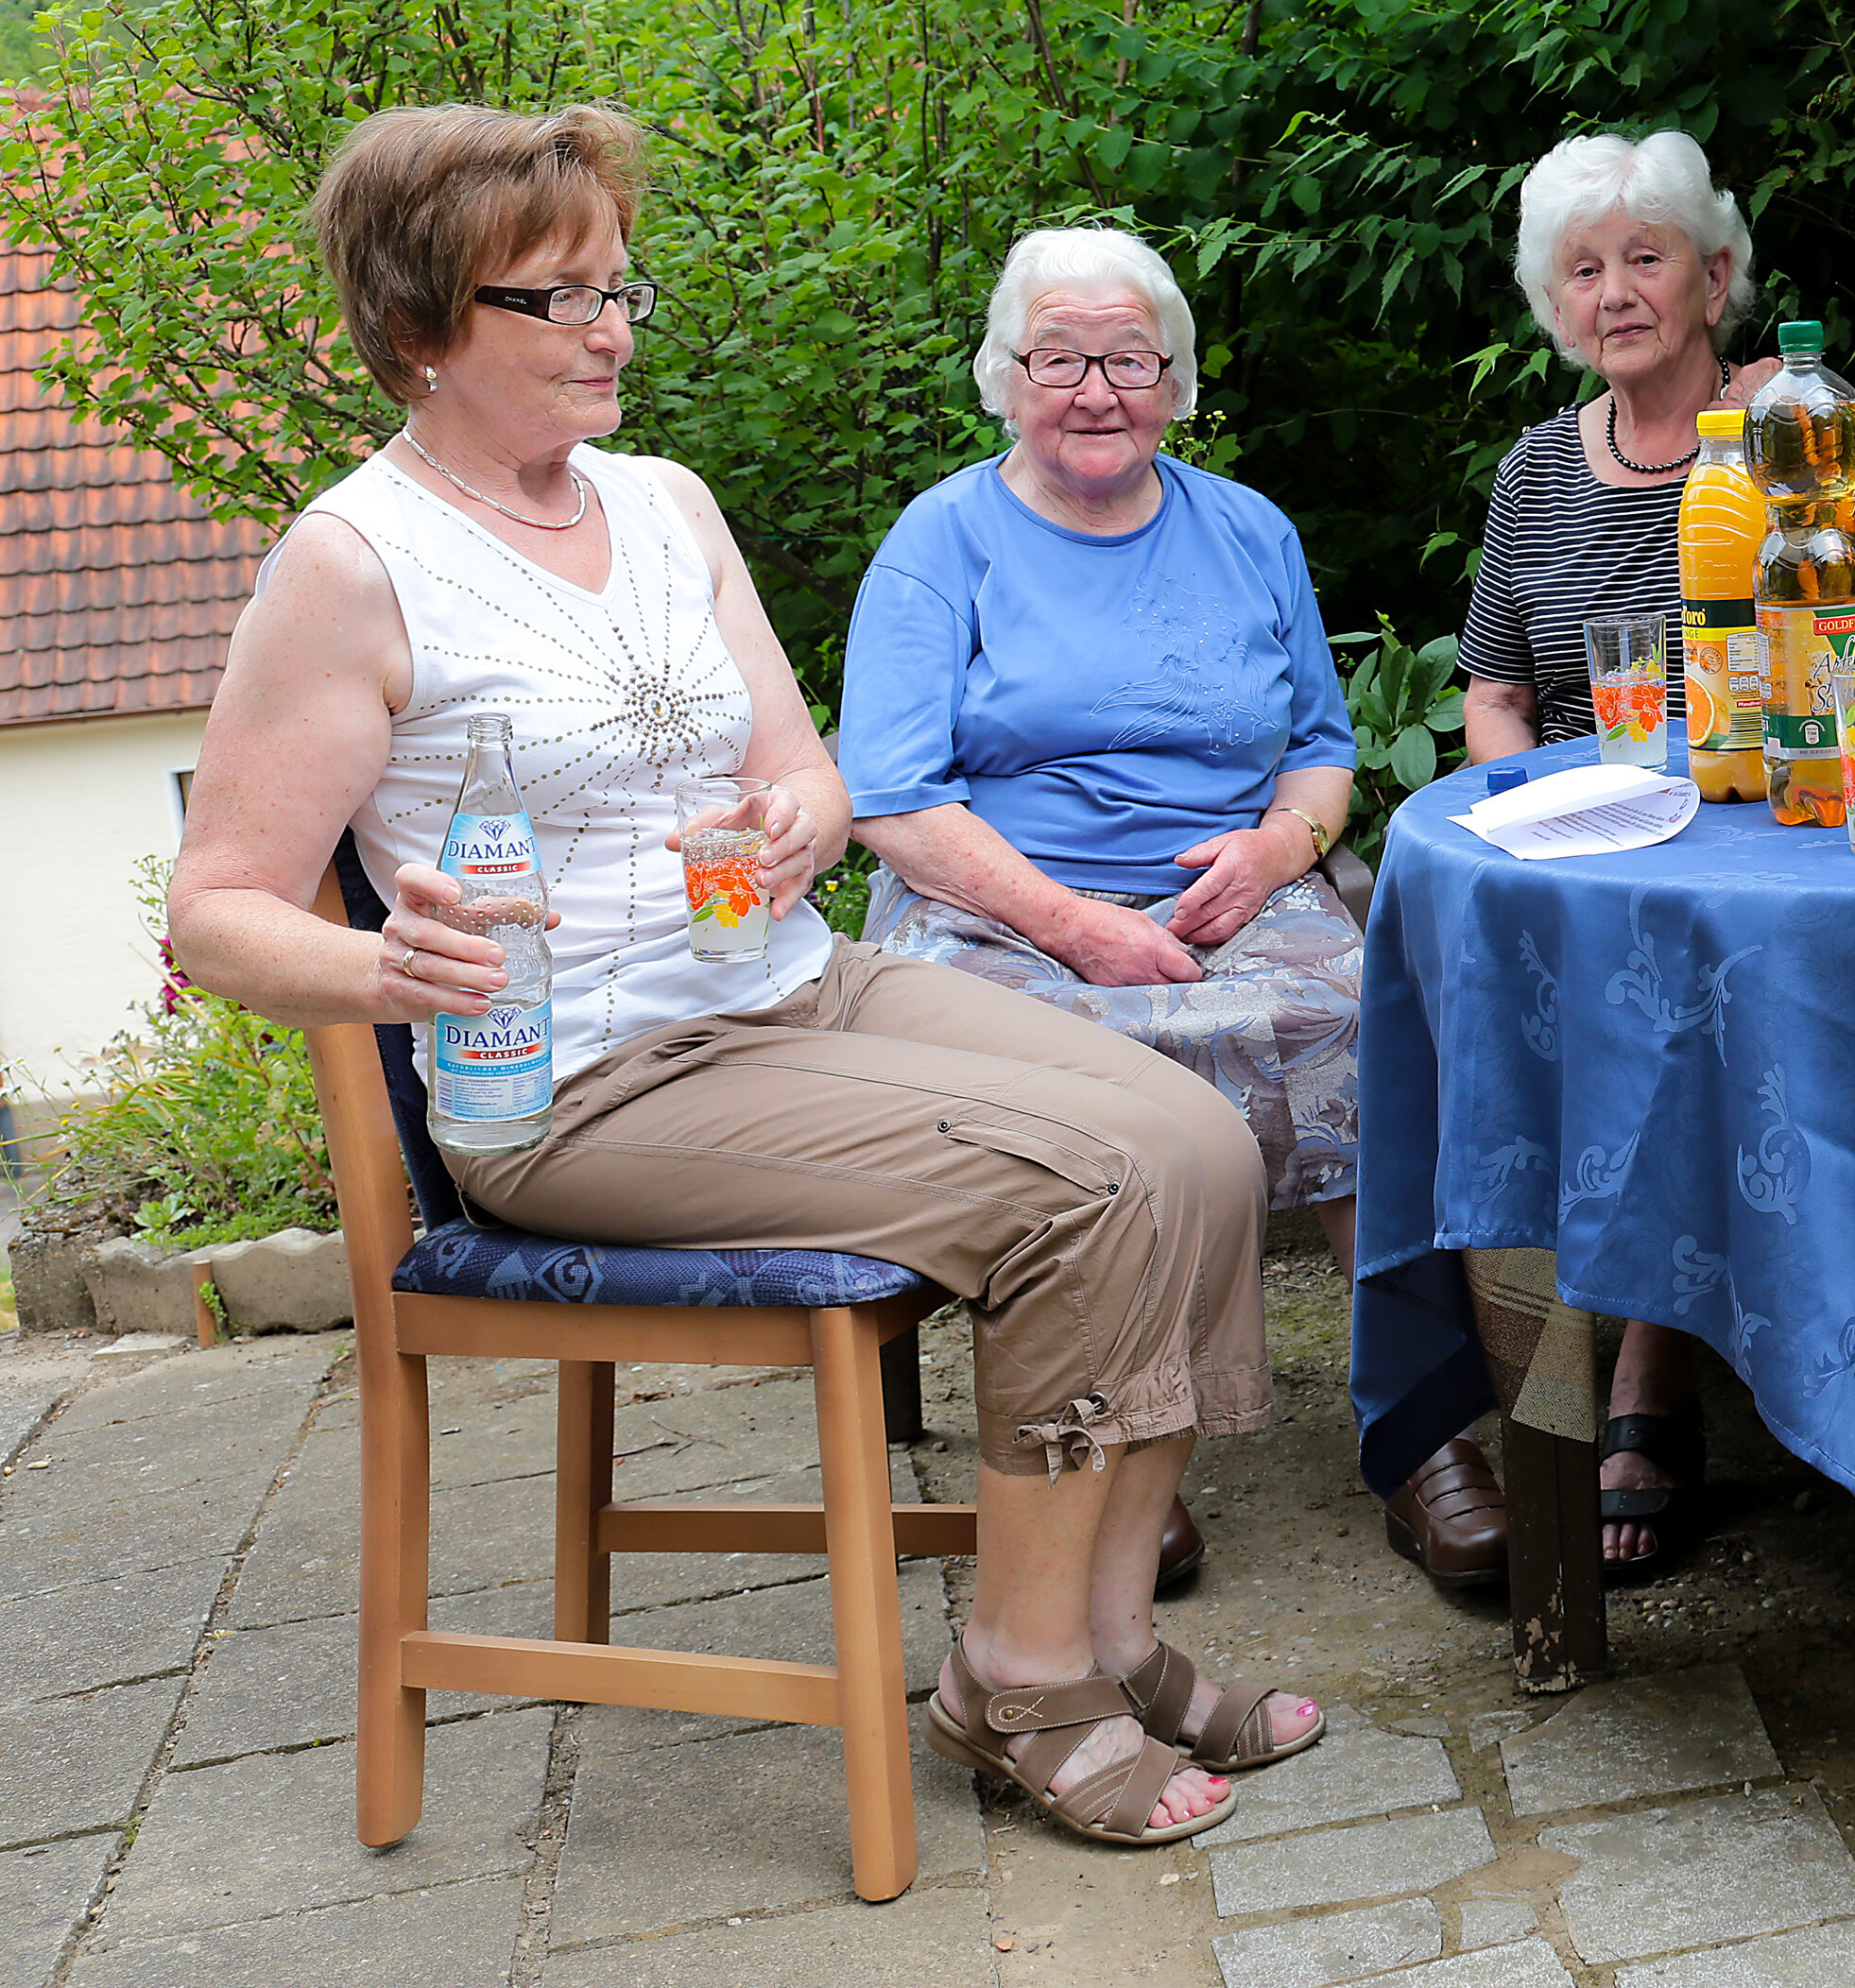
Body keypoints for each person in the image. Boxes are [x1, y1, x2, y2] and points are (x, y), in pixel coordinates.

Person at [166, 104, 1317, 1848]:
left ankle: (1109, 1631)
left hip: (790, 986)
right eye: (558, 296)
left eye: (621, 284)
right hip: (583, 1085)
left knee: (1199, 1140)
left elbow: (826, 776)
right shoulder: (351, 565)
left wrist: (795, 818)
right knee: (1082, 1190)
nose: (613, 323)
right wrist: (383, 961)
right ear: (418, 329)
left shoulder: (665, 499)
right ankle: (1015, 1675)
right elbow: (218, 912)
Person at [833, 227, 1501, 1594]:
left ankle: (1424, 1433)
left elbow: (1323, 750)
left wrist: (1273, 852)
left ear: (1176, 378)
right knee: (1066, 1077)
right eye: (1061, 357)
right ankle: (1110, 1449)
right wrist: (1075, 925)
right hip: (998, 907)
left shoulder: (1248, 530)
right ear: (1005, 376)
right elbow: (891, 801)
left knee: (1362, 1021)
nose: (1096, 388)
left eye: (1129, 358)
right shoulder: (941, 541)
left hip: (1228, 893)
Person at [1460, 129, 1777, 1570]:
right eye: (1583, 270)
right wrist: (1521, 812)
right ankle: (1541, 1373)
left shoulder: (1786, 437)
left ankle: (1649, 1363)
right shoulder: (1534, 474)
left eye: (1646, 258)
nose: (1616, 293)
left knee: (1678, 991)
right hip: (1590, 832)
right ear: (1555, 302)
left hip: (1765, 823)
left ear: (1713, 278)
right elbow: (1499, 690)